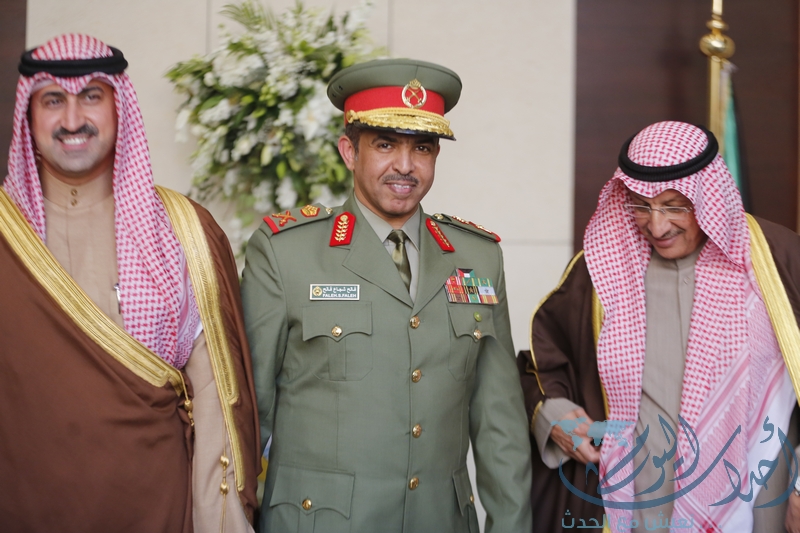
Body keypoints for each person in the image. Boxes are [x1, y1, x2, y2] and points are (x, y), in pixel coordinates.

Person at [241, 58, 533, 532]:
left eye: (422, 148)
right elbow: (248, 417)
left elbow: (500, 425)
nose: (405, 166)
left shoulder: (478, 258)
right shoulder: (285, 253)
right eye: (384, 144)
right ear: (348, 151)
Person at [0, 34, 261, 533]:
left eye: (91, 96)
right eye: (52, 100)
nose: (72, 120)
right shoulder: (6, 233)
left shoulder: (182, 231)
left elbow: (214, 406)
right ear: (28, 115)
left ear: (119, 107)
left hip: (156, 509)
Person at [518, 120, 800, 532]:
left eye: (674, 206)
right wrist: (554, 417)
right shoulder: (601, 272)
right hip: (637, 514)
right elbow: (541, 363)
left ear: (706, 195)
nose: (657, 226)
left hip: (762, 511)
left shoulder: (778, 261)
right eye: (640, 206)